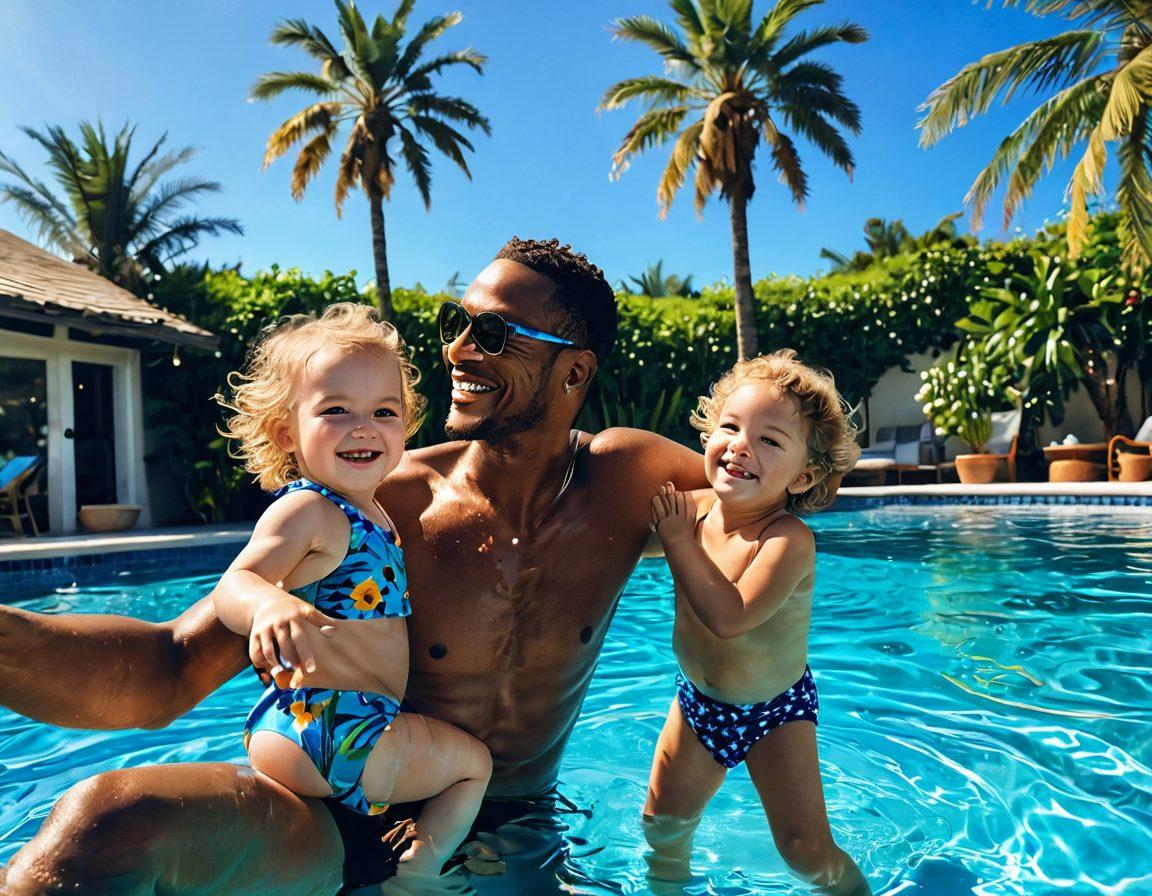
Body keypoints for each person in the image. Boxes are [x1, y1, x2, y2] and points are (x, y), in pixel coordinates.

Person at [0, 238, 713, 895]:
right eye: (456, 323)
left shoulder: (624, 484)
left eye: (493, 333)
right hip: (355, 814)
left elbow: (762, 510)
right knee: (106, 824)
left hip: (526, 826)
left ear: (575, 370)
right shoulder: (378, 504)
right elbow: (171, 667)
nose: (459, 349)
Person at [211, 303, 491, 880]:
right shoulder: (308, 509)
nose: (363, 427)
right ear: (286, 432)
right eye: (335, 410)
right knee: (474, 765)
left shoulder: (369, 511)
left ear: (405, 425)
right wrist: (268, 603)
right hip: (347, 729)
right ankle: (421, 874)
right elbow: (234, 584)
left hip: (291, 727)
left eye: (384, 411)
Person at [645, 350, 870, 895]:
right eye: (730, 427)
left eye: (769, 440)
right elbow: (614, 547)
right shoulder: (692, 510)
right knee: (663, 827)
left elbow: (730, 617)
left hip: (775, 710)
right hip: (698, 703)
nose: (741, 445)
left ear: (803, 476)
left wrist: (675, 540)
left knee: (805, 853)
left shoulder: (788, 541)